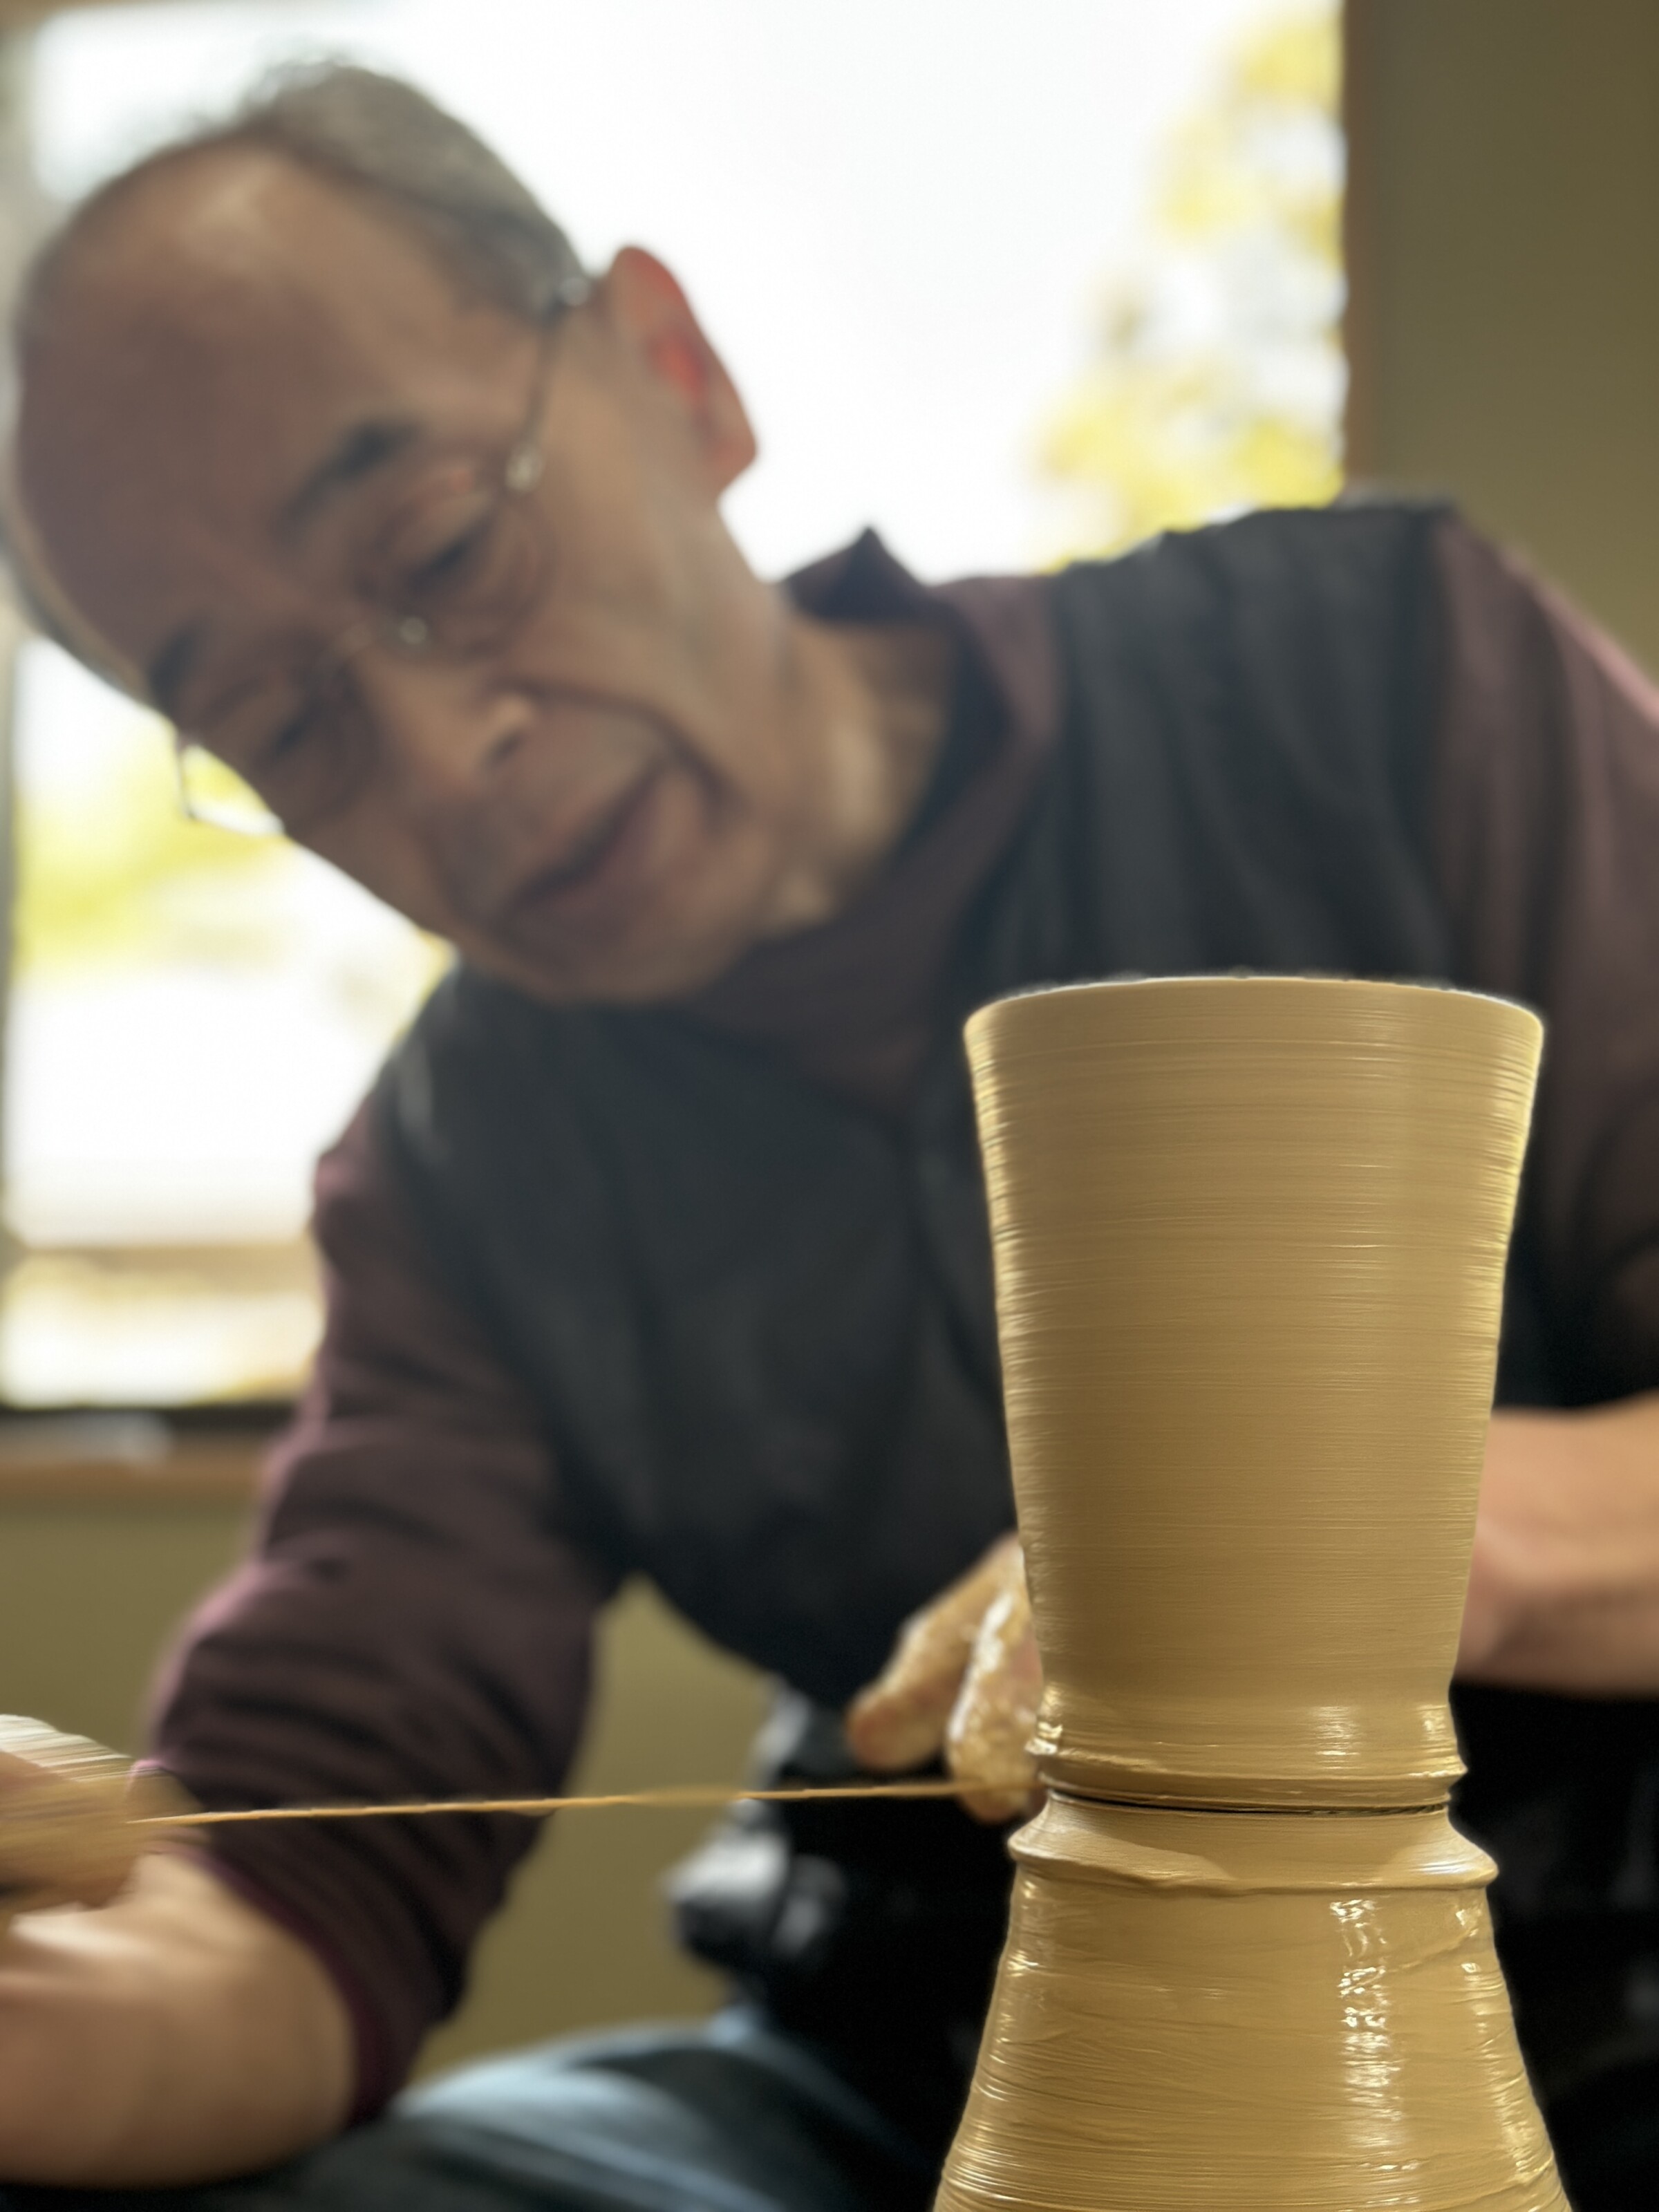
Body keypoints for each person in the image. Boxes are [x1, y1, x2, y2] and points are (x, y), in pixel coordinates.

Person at [0, 59, 1658, 2212]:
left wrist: (1405, 1548)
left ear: (676, 378)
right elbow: (308, 1871)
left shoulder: (1377, 684)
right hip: (913, 2064)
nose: (440, 753)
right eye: (283, 722)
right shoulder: (463, 1163)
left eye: (439, 554)